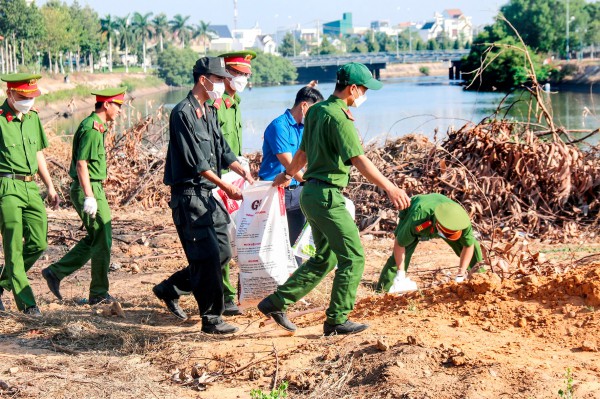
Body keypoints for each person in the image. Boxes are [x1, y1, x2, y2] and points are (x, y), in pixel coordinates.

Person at [257, 62, 411, 336]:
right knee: (353, 257)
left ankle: (276, 302)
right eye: (363, 90)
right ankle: (337, 320)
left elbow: (302, 152)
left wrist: (288, 174)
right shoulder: (340, 118)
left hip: (310, 195)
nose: (364, 95)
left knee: (325, 258)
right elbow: (359, 160)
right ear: (352, 88)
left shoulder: (316, 111)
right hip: (327, 197)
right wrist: (391, 188)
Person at [153, 57, 254, 335]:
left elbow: (221, 148)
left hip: (206, 194)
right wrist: (225, 185)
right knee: (206, 255)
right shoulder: (183, 113)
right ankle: (211, 319)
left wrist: (240, 169)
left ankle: (170, 288)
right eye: (219, 79)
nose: (223, 84)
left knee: (221, 251)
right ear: (203, 79)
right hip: (189, 196)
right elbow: (197, 162)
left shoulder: (209, 109)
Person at [41, 88, 126, 305]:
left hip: (92, 188)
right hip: (87, 189)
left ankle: (56, 272)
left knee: (98, 237)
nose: (120, 110)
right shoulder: (91, 129)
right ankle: (98, 292)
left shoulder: (98, 127)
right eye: (118, 105)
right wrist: (89, 196)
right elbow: (81, 164)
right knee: (103, 239)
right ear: (106, 104)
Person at [0, 73, 60, 315]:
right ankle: (27, 304)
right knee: (13, 249)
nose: (28, 101)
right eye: (23, 96)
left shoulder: (33, 118)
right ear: (10, 94)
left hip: (30, 186)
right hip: (7, 188)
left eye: (31, 96)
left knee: (38, 242)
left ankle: (3, 281)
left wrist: (50, 186)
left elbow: (37, 154)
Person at [211, 50, 256, 315]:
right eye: (241, 75)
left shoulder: (235, 102)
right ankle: (225, 295)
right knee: (224, 238)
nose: (245, 80)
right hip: (219, 179)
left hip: (236, 175)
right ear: (227, 75)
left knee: (240, 235)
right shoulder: (217, 106)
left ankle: (238, 290)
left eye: (247, 76)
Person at [259, 84, 324, 247]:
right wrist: (310, 184)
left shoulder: (305, 127)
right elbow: (289, 163)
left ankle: (296, 271)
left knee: (296, 243)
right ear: (304, 106)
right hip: (276, 190)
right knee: (274, 243)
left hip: (297, 191)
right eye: (314, 110)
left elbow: (309, 156)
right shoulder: (279, 126)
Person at [376, 193, 483, 292]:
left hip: (445, 215)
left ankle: (480, 281)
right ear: (437, 225)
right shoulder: (417, 218)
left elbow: (469, 246)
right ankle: (385, 288)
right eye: (447, 234)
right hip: (419, 212)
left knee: (473, 248)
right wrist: (400, 273)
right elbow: (399, 244)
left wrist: (460, 274)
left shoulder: (462, 221)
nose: (448, 237)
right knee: (401, 253)